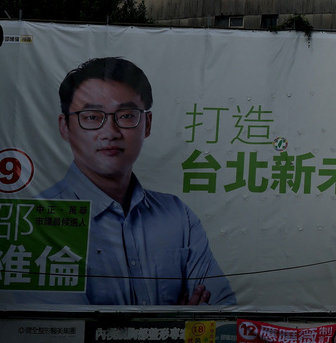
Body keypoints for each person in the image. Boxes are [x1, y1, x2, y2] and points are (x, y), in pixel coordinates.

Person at [39, 57, 235, 306]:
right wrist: (177, 322)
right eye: (91, 117)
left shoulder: (178, 216)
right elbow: (63, 331)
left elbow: (221, 310)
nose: (110, 132)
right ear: (65, 127)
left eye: (126, 115)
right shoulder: (40, 219)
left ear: (147, 124)